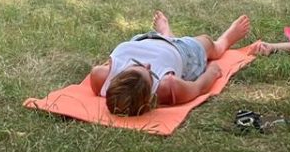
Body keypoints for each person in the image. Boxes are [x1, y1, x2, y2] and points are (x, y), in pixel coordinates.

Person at [88, 11, 251, 116]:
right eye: (151, 74)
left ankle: (166, 34)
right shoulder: (168, 86)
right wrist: (212, 72)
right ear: (151, 97)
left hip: (143, 39)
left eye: (136, 64)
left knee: (165, 40)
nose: (147, 65)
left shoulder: (100, 76)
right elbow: (198, 87)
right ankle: (223, 42)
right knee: (207, 43)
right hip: (182, 53)